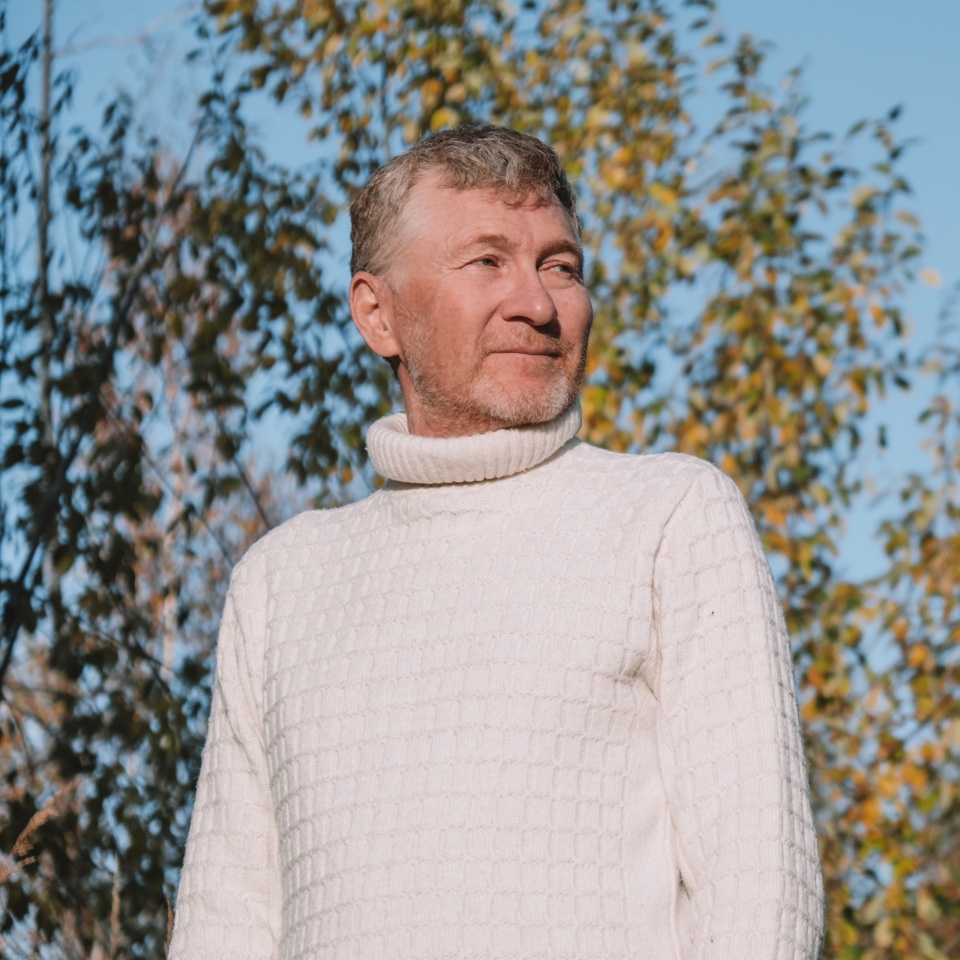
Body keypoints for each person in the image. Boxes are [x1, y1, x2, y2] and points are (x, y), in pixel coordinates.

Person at [169, 125, 824, 959]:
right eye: (488, 262)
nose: (539, 303)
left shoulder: (672, 515)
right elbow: (224, 921)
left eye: (561, 265)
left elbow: (759, 895)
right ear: (378, 314)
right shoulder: (278, 582)